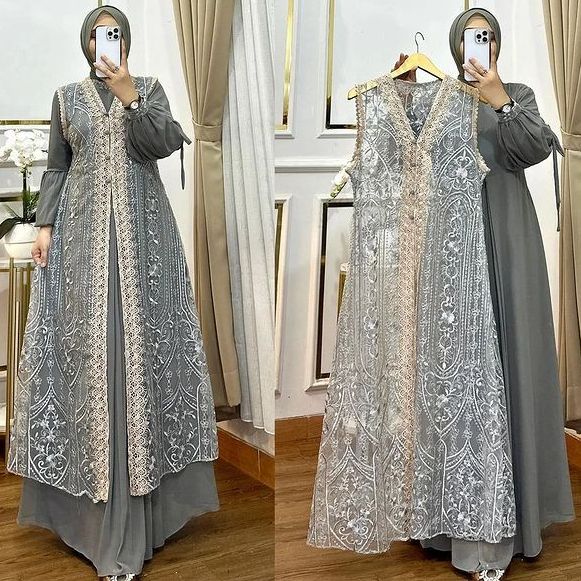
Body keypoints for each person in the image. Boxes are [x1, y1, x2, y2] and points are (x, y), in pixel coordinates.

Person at [7, 6, 219, 581]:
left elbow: (161, 144)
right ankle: (91, 520)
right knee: (90, 365)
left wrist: (129, 95)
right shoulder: (66, 97)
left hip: (144, 246)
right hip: (82, 248)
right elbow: (58, 167)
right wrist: (44, 227)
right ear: (86, 42)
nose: (109, 41)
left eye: (117, 33)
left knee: (140, 363)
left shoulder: (148, 88)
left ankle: (140, 519)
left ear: (126, 40)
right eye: (101, 34)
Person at [392, 7, 575, 580]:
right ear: (455, 45)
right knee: (457, 375)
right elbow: (402, 162)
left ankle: (506, 523)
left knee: (510, 361)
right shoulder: (436, 99)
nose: (482, 44)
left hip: (508, 242)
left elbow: (534, 148)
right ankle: (450, 521)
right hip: (450, 249)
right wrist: (402, 96)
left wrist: (497, 98)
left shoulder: (517, 95)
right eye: (473, 36)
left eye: (489, 36)